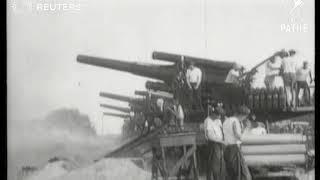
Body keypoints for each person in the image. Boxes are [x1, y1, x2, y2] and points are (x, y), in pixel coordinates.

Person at [223, 106, 252, 180]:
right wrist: (246, 130)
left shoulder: (226, 121)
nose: (244, 118)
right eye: (245, 117)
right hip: (234, 148)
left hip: (226, 148)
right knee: (241, 173)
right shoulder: (235, 121)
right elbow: (237, 135)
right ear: (242, 115)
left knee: (231, 172)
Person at [204, 106, 227, 180]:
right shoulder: (208, 121)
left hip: (220, 144)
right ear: (214, 114)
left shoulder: (218, 120)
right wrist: (221, 141)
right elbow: (210, 136)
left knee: (221, 165)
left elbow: (221, 131)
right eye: (219, 115)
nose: (220, 117)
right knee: (213, 166)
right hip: (212, 145)